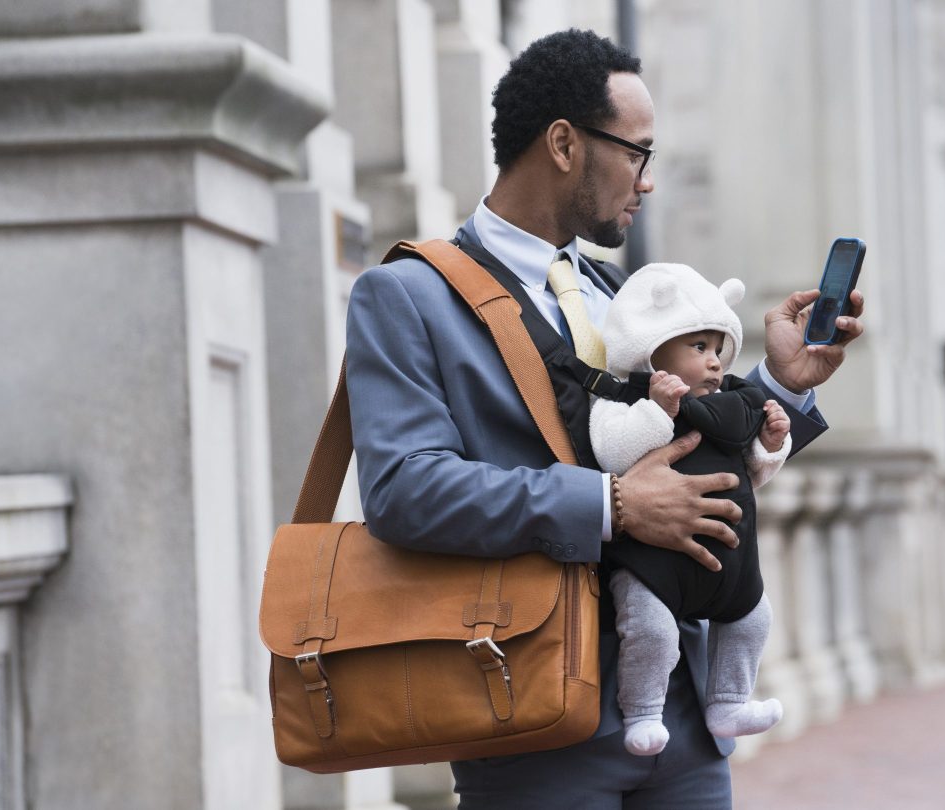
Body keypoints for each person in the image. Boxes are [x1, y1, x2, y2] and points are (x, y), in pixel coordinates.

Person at [345, 28, 865, 809]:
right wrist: (611, 508)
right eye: (638, 152)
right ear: (563, 143)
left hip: (684, 717)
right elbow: (403, 490)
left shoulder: (623, 291)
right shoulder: (408, 295)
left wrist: (780, 386)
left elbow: (686, 432)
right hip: (530, 720)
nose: (647, 182)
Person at [589, 263, 790, 758]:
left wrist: (770, 443)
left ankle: (728, 702)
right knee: (650, 629)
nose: (715, 362)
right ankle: (642, 712)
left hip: (729, 564)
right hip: (653, 564)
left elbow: (750, 472)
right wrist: (658, 412)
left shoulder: (730, 405)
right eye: (698, 348)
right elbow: (612, 454)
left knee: (754, 620)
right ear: (652, 348)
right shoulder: (624, 399)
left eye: (717, 349)